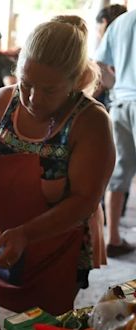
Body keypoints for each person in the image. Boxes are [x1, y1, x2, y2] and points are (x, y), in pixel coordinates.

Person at [0, 15, 115, 316]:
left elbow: (84, 201)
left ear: (76, 80)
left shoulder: (91, 122)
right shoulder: (4, 101)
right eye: (26, 83)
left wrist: (26, 234)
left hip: (54, 251)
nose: (32, 98)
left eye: (48, 90)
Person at [96, 10, 136, 258]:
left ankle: (112, 238)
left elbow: (99, 64)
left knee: (119, 170)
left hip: (120, 103)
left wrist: (117, 83)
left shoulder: (121, 22)